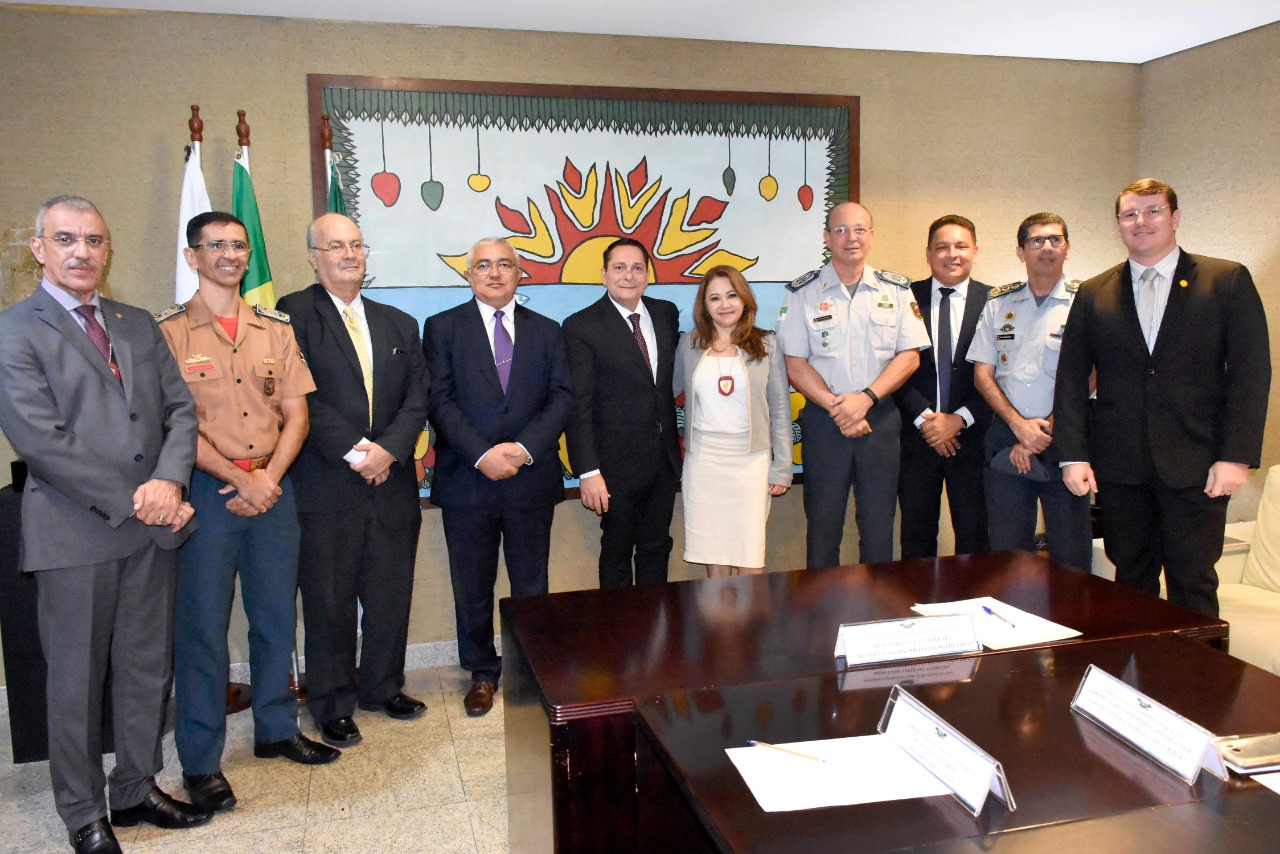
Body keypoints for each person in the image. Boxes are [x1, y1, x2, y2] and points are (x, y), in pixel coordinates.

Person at [0, 196, 208, 854]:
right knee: (76, 681)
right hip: (76, 533)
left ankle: (137, 786)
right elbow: (43, 442)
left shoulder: (136, 322)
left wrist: (171, 482)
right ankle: (84, 812)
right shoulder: (14, 330)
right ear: (39, 248)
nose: (82, 251)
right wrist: (142, 499)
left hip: (151, 529)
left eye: (93, 240)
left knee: (147, 669)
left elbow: (180, 408)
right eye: (66, 239)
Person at [157, 211, 336, 817]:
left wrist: (268, 479)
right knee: (203, 630)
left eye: (239, 245)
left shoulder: (274, 329)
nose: (230, 255)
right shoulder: (170, 334)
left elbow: (297, 414)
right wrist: (239, 478)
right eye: (217, 246)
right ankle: (202, 763)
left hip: (272, 488)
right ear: (193, 257)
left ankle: (276, 729)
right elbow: (171, 425)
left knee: (274, 617)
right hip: (207, 493)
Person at [1056, 180, 1271, 614]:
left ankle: (1202, 682)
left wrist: (1236, 456)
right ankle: (1134, 681)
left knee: (1193, 582)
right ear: (1118, 225)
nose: (1141, 221)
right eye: (1130, 214)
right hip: (1120, 466)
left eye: (1153, 211)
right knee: (1130, 581)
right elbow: (1071, 378)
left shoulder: (1225, 280)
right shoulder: (1094, 291)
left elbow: (1251, 374)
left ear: (1174, 218)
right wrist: (1072, 455)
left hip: (1198, 466)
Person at [276, 214, 430, 747]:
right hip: (325, 482)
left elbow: (419, 396)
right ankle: (333, 701)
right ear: (313, 256)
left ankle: (383, 686)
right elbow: (299, 396)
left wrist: (387, 450)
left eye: (356, 245)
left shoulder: (398, 322)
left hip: (392, 481)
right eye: (335, 246)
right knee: (329, 598)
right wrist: (354, 450)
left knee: (390, 592)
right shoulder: (290, 315)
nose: (348, 254)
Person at [423, 238, 573, 716]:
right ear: (469, 275)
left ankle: (531, 670)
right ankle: (482, 672)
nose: (494, 272)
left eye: (504, 264)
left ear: (519, 273)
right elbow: (439, 400)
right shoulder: (442, 328)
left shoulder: (548, 331)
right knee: (472, 582)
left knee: (532, 581)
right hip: (468, 478)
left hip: (531, 478)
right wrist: (482, 454)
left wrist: (524, 449)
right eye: (483, 265)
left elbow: (562, 397)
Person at [775, 202, 930, 567]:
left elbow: (910, 356)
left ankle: (876, 612)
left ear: (872, 236)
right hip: (824, 422)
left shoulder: (895, 289)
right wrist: (839, 408)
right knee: (823, 525)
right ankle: (822, 617)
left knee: (878, 525)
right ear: (827, 238)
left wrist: (866, 399)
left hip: (881, 420)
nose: (851, 237)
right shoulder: (803, 292)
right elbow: (794, 364)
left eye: (860, 229)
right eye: (841, 230)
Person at [969, 213, 1092, 572]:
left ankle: (1073, 626)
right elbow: (983, 374)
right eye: (1037, 241)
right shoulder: (998, 304)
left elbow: (1095, 372)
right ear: (1021, 251)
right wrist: (1020, 427)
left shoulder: (1085, 302)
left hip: (1066, 442)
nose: (1047, 248)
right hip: (1007, 442)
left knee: (1071, 554)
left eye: (1055, 239)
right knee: (1009, 556)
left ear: (1067, 248)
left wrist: (1048, 427)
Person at [562, 237, 681, 587]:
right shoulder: (580, 326)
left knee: (657, 547)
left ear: (648, 274)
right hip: (613, 466)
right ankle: (620, 637)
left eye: (637, 268)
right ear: (603, 274)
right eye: (619, 267)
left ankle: (656, 634)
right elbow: (578, 405)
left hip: (663, 460)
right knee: (616, 552)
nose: (629, 276)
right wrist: (588, 472)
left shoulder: (665, 313)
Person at [674, 266, 793, 577]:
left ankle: (750, 627)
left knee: (749, 552)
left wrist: (782, 467)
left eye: (731, 295)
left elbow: (780, 408)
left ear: (744, 299)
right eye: (715, 298)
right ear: (705, 305)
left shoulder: (767, 344)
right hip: (704, 461)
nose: (724, 304)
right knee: (714, 553)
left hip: (750, 461)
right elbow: (666, 393)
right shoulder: (689, 345)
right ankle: (718, 626)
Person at [895, 215, 991, 559]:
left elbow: (999, 377)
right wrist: (927, 419)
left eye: (961, 246)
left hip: (974, 438)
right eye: (942, 247)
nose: (952, 254)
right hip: (917, 437)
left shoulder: (994, 302)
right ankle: (919, 608)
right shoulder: (903, 298)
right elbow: (892, 367)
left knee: (976, 537)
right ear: (928, 253)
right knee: (916, 538)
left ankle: (972, 607)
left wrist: (960, 418)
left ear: (975, 251)